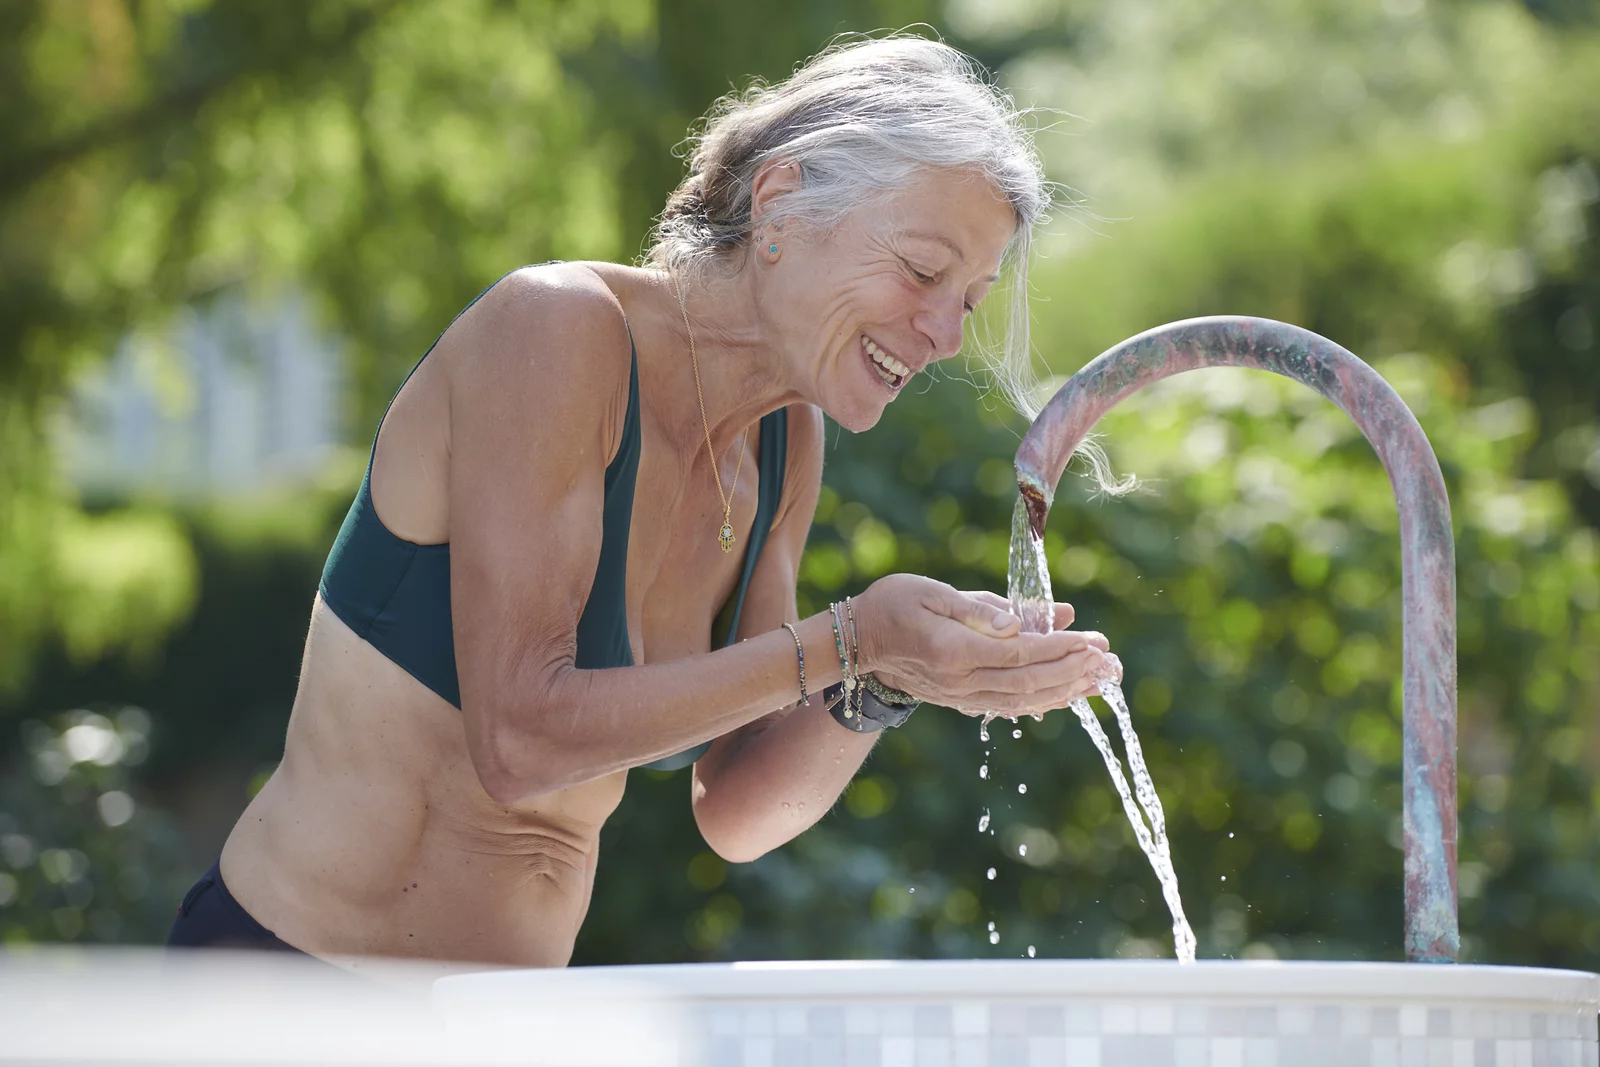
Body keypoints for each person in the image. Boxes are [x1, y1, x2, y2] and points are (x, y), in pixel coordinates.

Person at [167, 35, 1120, 966]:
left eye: (970, 298)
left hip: (500, 1030)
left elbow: (739, 809)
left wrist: (885, 681)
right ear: (781, 201)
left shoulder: (784, 443)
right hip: (280, 987)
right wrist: (852, 639)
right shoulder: (556, 332)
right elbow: (521, 740)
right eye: (922, 270)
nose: (945, 332)